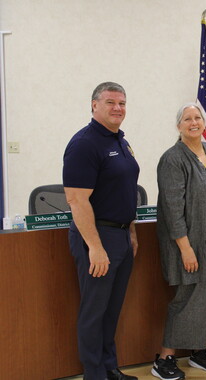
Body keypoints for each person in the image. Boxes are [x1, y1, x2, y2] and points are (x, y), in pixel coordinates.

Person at [152, 103, 206, 380]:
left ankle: (199, 351)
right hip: (189, 245)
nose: (193, 122)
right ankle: (164, 358)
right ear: (178, 126)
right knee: (187, 299)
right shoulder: (173, 159)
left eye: (197, 118)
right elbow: (172, 208)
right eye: (187, 119)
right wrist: (186, 248)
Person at [63, 82, 139, 380]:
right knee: (94, 312)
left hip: (120, 235)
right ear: (94, 105)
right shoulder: (85, 143)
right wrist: (95, 247)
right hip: (97, 238)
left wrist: (131, 232)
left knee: (111, 310)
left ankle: (109, 369)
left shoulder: (120, 140)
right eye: (110, 102)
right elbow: (76, 199)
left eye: (122, 102)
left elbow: (125, 190)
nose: (117, 108)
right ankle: (94, 374)